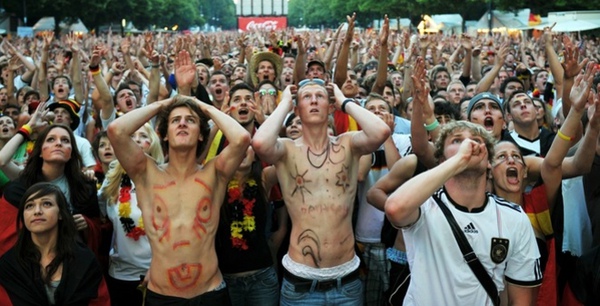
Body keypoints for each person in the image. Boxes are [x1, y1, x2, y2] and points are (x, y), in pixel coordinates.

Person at [107, 75, 251, 304]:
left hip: (210, 294)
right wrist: (164, 104)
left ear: (202, 133)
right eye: (175, 121)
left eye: (190, 120)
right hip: (161, 296)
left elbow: (242, 138)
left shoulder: (214, 172)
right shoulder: (146, 172)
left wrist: (201, 105)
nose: (182, 123)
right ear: (163, 134)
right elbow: (115, 130)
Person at [252, 79, 390, 305]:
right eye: (307, 97)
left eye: (320, 96)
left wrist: (345, 101)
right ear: (297, 108)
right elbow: (260, 144)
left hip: (346, 282)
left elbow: (380, 131)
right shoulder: (286, 149)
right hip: (300, 284)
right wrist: (285, 102)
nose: (314, 100)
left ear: (331, 107)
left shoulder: (348, 144)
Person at [385, 121, 542, 305]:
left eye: (476, 140)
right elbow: (394, 209)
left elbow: (521, 300)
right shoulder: (424, 205)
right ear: (443, 161)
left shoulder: (514, 217)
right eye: (457, 141)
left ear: (489, 163)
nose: (469, 145)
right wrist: (459, 161)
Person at [0, 103, 102, 257]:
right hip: (29, 261)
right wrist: (29, 127)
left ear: (71, 152)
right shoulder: (25, 179)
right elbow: (2, 160)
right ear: (40, 151)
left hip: (68, 260)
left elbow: (98, 226)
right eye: (51, 140)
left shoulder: (84, 185)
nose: (59, 143)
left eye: (65, 141)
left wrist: (86, 224)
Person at [0, 182, 110, 305]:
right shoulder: (9, 264)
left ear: (61, 214)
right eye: (29, 206)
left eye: (46, 204)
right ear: (23, 216)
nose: (37, 211)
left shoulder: (84, 260)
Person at [101, 123, 164, 305]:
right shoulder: (113, 180)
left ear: (153, 144)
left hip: (157, 275)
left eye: (143, 136)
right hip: (120, 275)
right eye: (131, 136)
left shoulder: (164, 179)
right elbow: (101, 213)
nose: (136, 140)